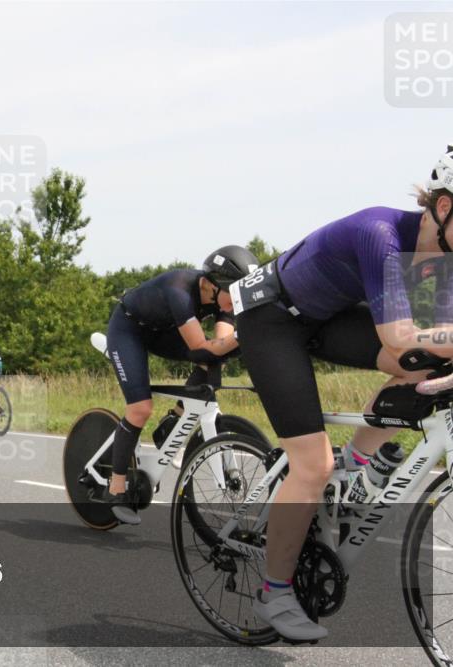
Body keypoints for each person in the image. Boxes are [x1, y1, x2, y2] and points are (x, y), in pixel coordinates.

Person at [235, 144, 453, 641]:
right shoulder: (381, 234)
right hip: (273, 320)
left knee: (427, 362)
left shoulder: (439, 254)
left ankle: (356, 468)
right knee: (313, 465)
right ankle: (274, 591)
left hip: (327, 317)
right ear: (443, 207)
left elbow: (436, 338)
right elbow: (399, 336)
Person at [96, 246, 259, 525]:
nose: (233, 305)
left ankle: (174, 419)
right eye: (232, 295)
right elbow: (201, 346)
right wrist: (240, 340)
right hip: (129, 330)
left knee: (212, 363)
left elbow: (219, 348)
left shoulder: (223, 300)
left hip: (163, 332)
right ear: (211, 284)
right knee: (140, 409)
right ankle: (116, 488)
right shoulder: (179, 290)